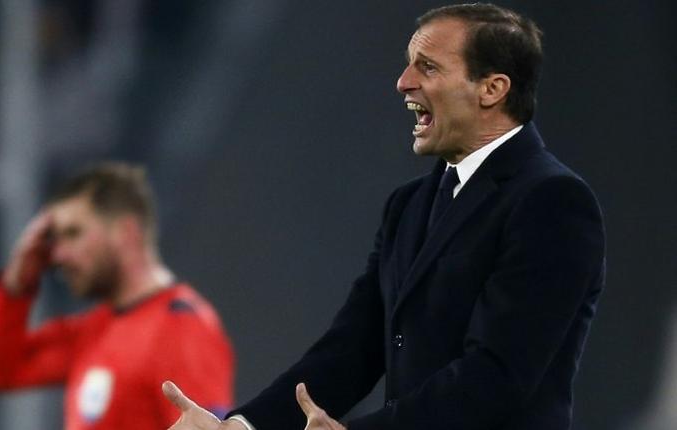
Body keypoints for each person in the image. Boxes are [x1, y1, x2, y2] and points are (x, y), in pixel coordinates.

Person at [161, 3, 605, 430]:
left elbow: (495, 377)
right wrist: (243, 425)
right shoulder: (409, 204)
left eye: (428, 67)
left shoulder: (552, 201)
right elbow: (354, 348)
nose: (403, 82)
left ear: (491, 88)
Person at [0, 162, 234, 430]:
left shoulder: (182, 328)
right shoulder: (94, 328)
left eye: (73, 234)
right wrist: (17, 283)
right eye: (56, 240)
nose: (58, 255)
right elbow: (1, 369)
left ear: (126, 233)